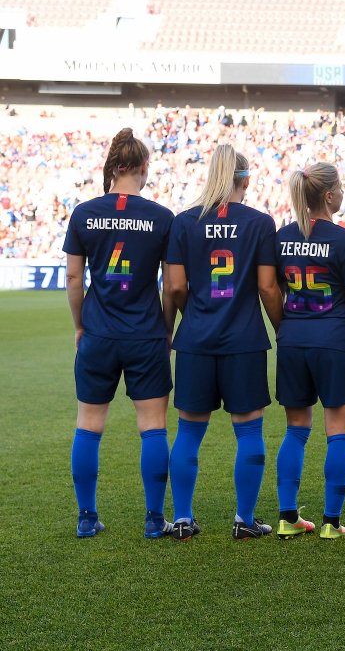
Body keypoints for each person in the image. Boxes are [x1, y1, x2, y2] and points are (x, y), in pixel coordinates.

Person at [163, 145, 283, 540]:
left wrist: (193, 315)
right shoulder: (260, 223)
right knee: (249, 433)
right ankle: (245, 521)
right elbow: (267, 287)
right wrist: (281, 327)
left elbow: (175, 286)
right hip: (243, 340)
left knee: (188, 433)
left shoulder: (184, 222)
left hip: (195, 339)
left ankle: (182, 518)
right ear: (244, 180)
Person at [65, 128, 175, 539]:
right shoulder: (161, 217)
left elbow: (74, 278)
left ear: (113, 167)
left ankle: (87, 517)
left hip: (98, 333)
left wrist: (79, 324)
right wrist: (166, 330)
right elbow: (172, 284)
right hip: (145, 334)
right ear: (142, 168)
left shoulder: (84, 213)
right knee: (152, 426)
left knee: (88, 425)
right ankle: (152, 518)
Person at [274, 162, 345, 540]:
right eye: (342, 187)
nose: (344, 192)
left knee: (295, 430)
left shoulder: (282, 237)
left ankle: (287, 517)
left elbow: (272, 289)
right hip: (333, 340)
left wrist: (288, 327)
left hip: (293, 338)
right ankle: (331, 522)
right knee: (339, 433)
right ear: (329, 196)